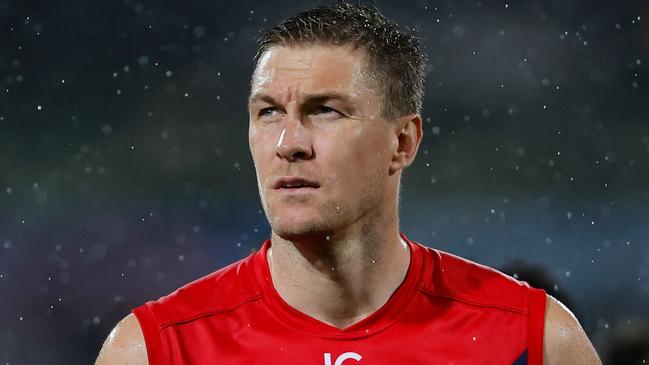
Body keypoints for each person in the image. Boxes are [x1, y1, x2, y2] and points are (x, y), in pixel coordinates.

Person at [95, 3, 602, 364]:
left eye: (325, 111)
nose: (288, 142)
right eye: (269, 112)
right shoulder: (156, 349)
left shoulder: (531, 341)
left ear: (402, 143)